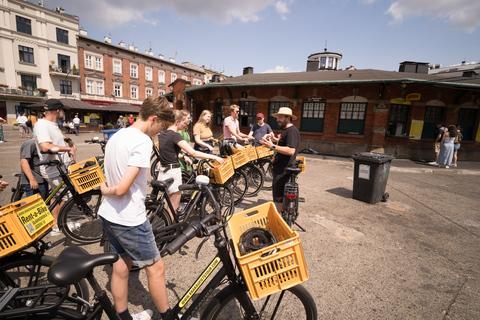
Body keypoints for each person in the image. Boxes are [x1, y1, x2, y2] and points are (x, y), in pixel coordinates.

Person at [98, 96, 174, 320]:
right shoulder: (142, 141)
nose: (160, 132)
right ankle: (168, 316)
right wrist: (106, 190)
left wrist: (106, 190)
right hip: (129, 217)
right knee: (156, 268)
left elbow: (113, 172)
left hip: (109, 214)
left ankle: (123, 316)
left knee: (121, 267)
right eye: (161, 127)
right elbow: (121, 188)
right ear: (154, 119)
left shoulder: (117, 135)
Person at [157, 110, 224, 220]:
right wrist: (215, 157)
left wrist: (183, 157)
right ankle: (169, 233)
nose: (185, 125)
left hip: (163, 172)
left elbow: (170, 152)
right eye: (184, 122)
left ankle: (168, 228)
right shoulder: (175, 135)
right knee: (172, 209)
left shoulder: (163, 134)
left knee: (169, 205)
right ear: (177, 121)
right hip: (173, 173)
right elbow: (193, 152)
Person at [33, 99, 77, 236]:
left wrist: (68, 140)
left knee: (57, 196)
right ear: (58, 111)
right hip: (53, 168)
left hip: (59, 168)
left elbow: (57, 134)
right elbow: (45, 146)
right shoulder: (41, 125)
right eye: (63, 110)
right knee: (67, 196)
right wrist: (67, 149)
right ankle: (60, 223)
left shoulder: (51, 124)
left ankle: (56, 224)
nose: (64, 113)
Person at [260, 107, 300, 213]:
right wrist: (275, 140)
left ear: (288, 118)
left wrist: (272, 146)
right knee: (279, 196)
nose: (277, 119)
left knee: (279, 199)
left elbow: (291, 150)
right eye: (277, 117)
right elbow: (285, 143)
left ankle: (279, 221)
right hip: (280, 168)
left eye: (280, 117)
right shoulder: (287, 131)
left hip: (283, 170)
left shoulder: (292, 131)